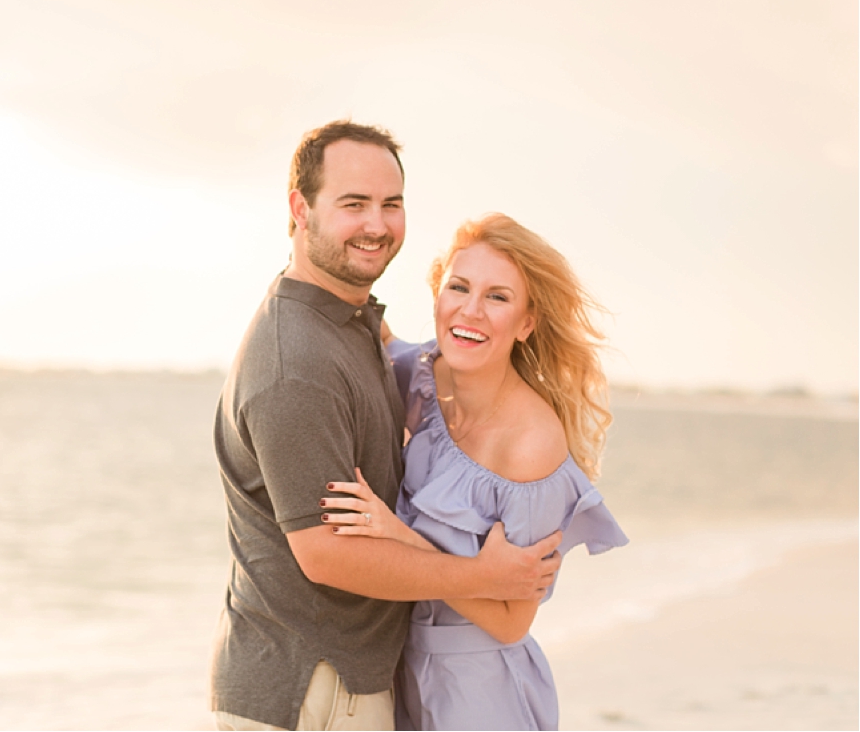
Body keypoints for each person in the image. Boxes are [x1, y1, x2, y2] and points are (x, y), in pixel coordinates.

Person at [211, 123, 565, 732]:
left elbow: (440, 356)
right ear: (300, 209)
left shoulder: (358, 332)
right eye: (353, 204)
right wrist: (483, 575)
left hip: (378, 686)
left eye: (391, 204)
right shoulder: (297, 363)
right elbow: (325, 555)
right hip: (311, 691)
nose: (376, 224)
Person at [320, 213, 629, 730]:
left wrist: (398, 537)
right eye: (458, 287)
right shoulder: (415, 375)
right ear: (437, 296)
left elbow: (512, 622)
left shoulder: (532, 445)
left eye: (498, 297)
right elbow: (371, 331)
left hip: (481, 696)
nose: (471, 310)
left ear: (527, 323)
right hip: (396, 677)